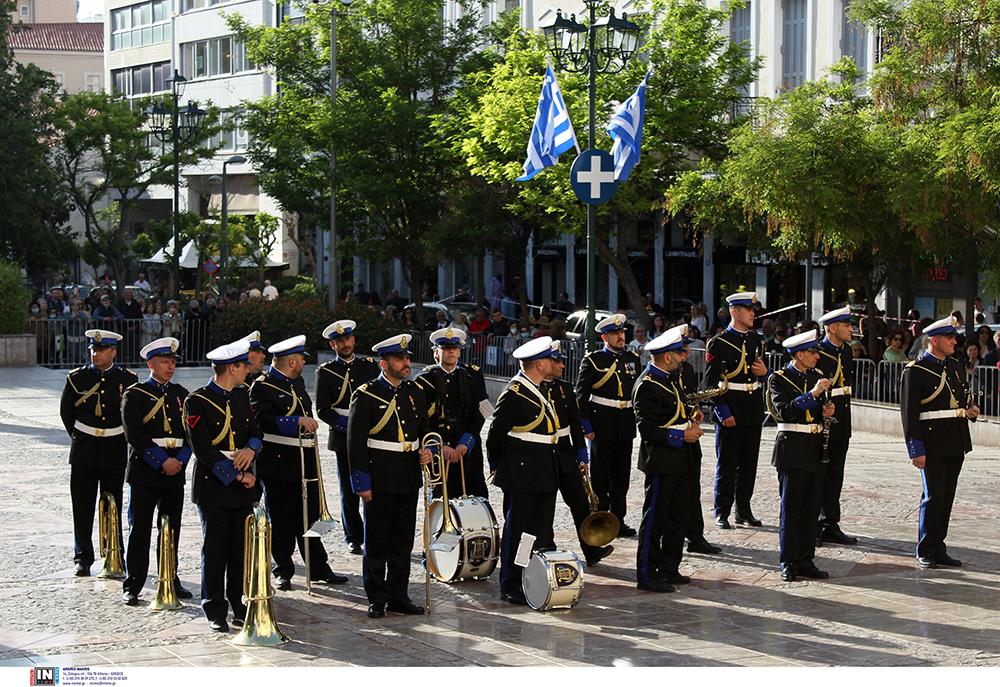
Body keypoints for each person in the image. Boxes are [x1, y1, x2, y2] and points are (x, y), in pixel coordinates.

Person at [251, 335, 349, 590]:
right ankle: (283, 568)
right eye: (301, 358)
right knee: (282, 519)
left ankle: (318, 566)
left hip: (304, 460)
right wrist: (295, 422)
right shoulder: (262, 386)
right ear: (292, 360)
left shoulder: (297, 382)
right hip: (278, 463)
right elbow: (261, 420)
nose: (304, 361)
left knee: (311, 517)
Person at [347, 334, 433, 617]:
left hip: (407, 474)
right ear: (384, 363)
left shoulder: (416, 391)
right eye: (400, 359)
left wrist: (428, 450)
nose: (406, 363)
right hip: (380, 474)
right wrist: (362, 482)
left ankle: (399, 595)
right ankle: (377, 597)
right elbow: (355, 442)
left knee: (402, 541)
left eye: (407, 358)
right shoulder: (366, 394)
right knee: (377, 541)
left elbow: (426, 430)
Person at [184, 338, 262, 632]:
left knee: (240, 550)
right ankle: (214, 608)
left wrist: (252, 449)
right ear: (232, 367)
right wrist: (238, 475)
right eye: (244, 365)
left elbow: (256, 432)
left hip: (244, 483)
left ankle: (240, 604)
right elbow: (202, 448)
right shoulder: (197, 401)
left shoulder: (243, 396)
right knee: (215, 549)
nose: (248, 370)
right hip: (214, 485)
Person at [486, 336, 560, 605]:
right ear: (540, 364)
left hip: (543, 471)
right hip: (523, 473)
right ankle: (511, 581)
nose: (554, 363)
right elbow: (494, 435)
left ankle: (530, 575)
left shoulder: (539, 388)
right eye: (550, 359)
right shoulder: (515, 392)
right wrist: (497, 465)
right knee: (519, 531)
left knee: (537, 530)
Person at [900, 316, 979, 568]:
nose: (954, 341)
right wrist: (916, 449)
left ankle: (939, 546)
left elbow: (963, 399)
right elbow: (909, 415)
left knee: (947, 496)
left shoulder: (955, 366)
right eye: (949, 338)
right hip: (932, 441)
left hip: (955, 438)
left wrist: (971, 409)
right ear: (934, 340)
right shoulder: (916, 371)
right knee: (933, 496)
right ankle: (926, 547)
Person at [120, 337, 194, 606]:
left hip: (175, 470)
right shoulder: (135, 395)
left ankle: (170, 578)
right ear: (151, 364)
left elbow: (191, 434)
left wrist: (181, 460)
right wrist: (161, 460)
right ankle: (134, 583)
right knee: (140, 530)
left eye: (173, 362)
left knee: (171, 528)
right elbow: (134, 435)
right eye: (165, 362)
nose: (170, 367)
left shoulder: (181, 395)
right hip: (146, 470)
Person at [58, 330, 137, 577]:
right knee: (82, 505)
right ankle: (83, 556)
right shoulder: (77, 378)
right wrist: (82, 435)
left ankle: (113, 552)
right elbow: (66, 413)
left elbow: (131, 415)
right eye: (93, 350)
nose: (96, 354)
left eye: (102, 350)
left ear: (113, 352)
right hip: (84, 449)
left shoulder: (128, 378)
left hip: (113, 446)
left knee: (111, 505)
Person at [633, 325, 703, 593]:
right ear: (666, 356)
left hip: (681, 458)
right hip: (661, 459)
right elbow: (648, 430)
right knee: (655, 518)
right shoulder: (648, 384)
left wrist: (690, 421)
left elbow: (675, 413)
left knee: (678, 515)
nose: (684, 357)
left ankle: (669, 567)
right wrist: (680, 437)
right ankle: (647, 573)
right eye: (680, 353)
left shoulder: (670, 379)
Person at [767, 329, 835, 581]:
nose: (817, 356)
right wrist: (813, 395)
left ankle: (806, 560)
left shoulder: (817, 376)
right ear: (798, 354)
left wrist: (827, 410)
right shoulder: (779, 379)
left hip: (816, 447)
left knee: (811, 509)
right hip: (792, 447)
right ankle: (789, 560)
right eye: (812, 352)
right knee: (792, 508)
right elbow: (783, 412)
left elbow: (820, 410)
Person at [542, 340, 614, 567]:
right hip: (543, 453)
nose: (562, 365)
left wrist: (582, 455)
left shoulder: (564, 388)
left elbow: (574, 424)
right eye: (557, 361)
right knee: (546, 504)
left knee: (580, 502)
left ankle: (591, 549)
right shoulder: (532, 387)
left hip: (565, 453)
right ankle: (547, 547)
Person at [701, 292, 769, 529]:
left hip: (752, 407)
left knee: (749, 463)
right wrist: (722, 411)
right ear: (734, 312)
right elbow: (710, 383)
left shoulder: (756, 340)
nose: (753, 313)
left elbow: (759, 373)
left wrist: (764, 373)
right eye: (748, 309)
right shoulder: (719, 342)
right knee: (727, 464)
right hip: (730, 406)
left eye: (753, 309)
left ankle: (744, 509)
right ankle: (722, 510)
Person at [315, 320, 380, 555]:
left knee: (373, 486)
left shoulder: (370, 367)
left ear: (353, 340)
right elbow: (322, 409)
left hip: (372, 436)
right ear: (333, 344)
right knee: (350, 489)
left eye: (348, 339)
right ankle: (353, 535)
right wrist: (351, 427)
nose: (345, 343)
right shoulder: (326, 372)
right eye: (339, 341)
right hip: (343, 438)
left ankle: (373, 532)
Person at [576, 314, 641, 537]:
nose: (620, 337)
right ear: (604, 336)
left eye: (622, 333)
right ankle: (601, 516)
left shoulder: (633, 359)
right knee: (601, 475)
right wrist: (586, 426)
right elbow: (581, 397)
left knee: (621, 476)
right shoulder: (593, 360)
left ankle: (619, 519)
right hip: (601, 423)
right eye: (615, 334)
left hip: (625, 423)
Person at [415, 328, 487, 500]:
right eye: (446, 348)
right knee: (441, 499)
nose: (451, 351)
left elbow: (481, 413)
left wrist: (466, 442)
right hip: (439, 446)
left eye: (455, 348)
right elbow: (420, 420)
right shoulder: (424, 380)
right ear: (436, 353)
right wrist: (440, 446)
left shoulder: (471, 377)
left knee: (474, 496)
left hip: (466, 447)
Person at [815, 306, 859, 547]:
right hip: (823, 420)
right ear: (832, 328)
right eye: (845, 325)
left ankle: (831, 523)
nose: (850, 328)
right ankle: (814, 524)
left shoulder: (847, 351)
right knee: (818, 474)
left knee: (835, 476)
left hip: (842, 419)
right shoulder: (818, 352)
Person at [674, 339, 721, 556]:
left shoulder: (688, 369)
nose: (687, 354)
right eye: (682, 351)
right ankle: (672, 535)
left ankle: (695, 535)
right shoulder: (661, 376)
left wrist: (696, 412)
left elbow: (691, 398)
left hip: (691, 437)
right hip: (674, 439)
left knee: (693, 489)